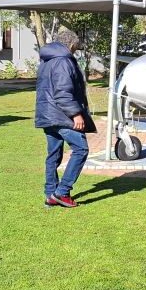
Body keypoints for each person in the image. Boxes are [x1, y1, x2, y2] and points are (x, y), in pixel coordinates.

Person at [35, 29, 96, 208]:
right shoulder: (63, 61)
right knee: (81, 149)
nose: (77, 49)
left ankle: (50, 194)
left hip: (47, 114)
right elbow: (62, 92)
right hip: (61, 116)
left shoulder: (47, 60)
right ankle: (61, 192)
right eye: (76, 46)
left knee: (53, 154)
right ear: (70, 44)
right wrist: (76, 114)